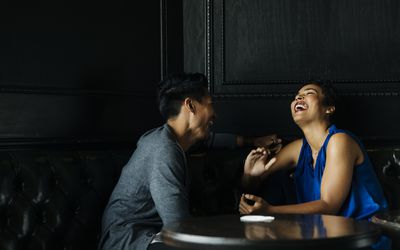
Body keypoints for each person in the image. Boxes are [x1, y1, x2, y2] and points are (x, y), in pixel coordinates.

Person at [98, 73, 281, 250]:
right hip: (130, 240)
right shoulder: (164, 150)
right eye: (210, 105)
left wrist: (252, 141)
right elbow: (178, 225)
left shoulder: (173, 139)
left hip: (154, 234)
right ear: (191, 105)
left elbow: (210, 140)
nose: (214, 114)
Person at [239, 81, 389, 249]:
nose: (299, 97)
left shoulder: (340, 141)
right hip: (323, 236)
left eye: (309, 93)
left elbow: (328, 206)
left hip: (362, 237)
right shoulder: (297, 149)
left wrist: (270, 211)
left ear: (329, 109)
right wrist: (250, 175)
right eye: (296, 96)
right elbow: (252, 186)